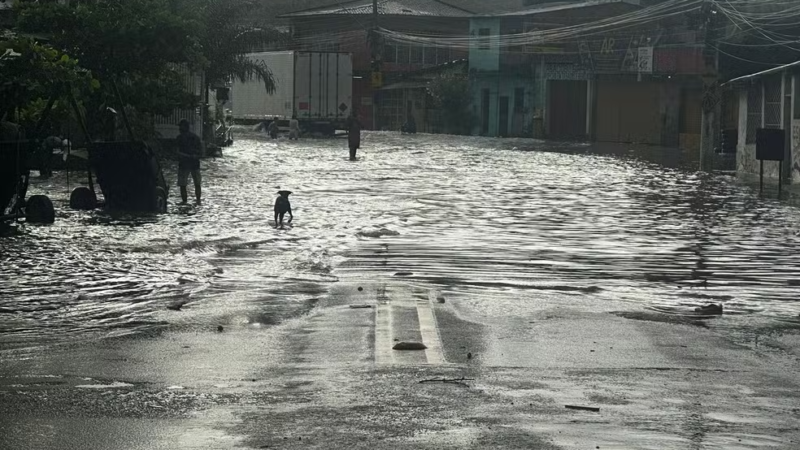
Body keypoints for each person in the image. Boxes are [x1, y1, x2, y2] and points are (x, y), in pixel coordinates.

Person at [176, 119, 202, 205]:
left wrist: (185, 156)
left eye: (180, 127)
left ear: (184, 127)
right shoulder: (196, 137)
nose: (179, 128)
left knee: (183, 185)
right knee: (197, 183)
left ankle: (184, 202)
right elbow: (201, 152)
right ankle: (198, 201)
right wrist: (194, 156)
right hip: (195, 163)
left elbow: (177, 152)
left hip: (184, 164)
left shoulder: (179, 138)